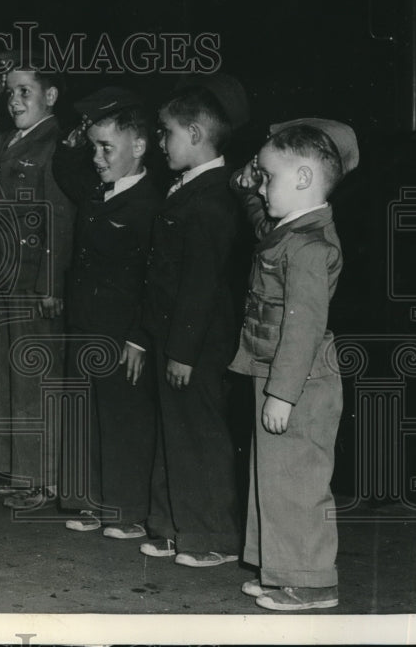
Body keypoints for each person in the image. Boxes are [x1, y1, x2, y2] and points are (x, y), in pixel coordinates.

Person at [229, 118, 358, 611]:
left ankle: (313, 582)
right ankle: (282, 571)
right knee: (274, 479)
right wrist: (247, 185)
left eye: (268, 177)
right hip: (279, 371)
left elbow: (303, 326)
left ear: (303, 179)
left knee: (298, 480)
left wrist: (282, 393)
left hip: (299, 380)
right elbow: (260, 223)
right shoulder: (292, 228)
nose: (261, 187)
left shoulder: (309, 246)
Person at [136, 85, 242, 567]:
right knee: (172, 431)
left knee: (199, 433)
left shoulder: (214, 197)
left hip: (195, 344)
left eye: (168, 133)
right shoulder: (187, 188)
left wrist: (182, 350)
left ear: (196, 134)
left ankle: (212, 536)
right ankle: (172, 527)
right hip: (172, 336)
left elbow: (200, 285)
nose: (161, 142)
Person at [51, 87, 160, 539]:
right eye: (93, 146)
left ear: (139, 147)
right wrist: (80, 136)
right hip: (86, 326)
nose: (96, 157)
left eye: (106, 147)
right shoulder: (99, 193)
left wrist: (138, 335)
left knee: (124, 420)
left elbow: (153, 279)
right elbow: (64, 168)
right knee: (91, 417)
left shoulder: (152, 202)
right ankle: (94, 502)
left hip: (120, 332)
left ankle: (128, 511)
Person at [0, 50, 74, 511]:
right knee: (8, 376)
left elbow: (59, 217)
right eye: (10, 91)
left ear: (50, 95)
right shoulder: (16, 140)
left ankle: (42, 481)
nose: (14, 100)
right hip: (3, 277)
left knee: (34, 379)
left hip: (33, 283)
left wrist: (51, 285)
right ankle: (16, 474)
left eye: (24, 91)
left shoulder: (56, 144)